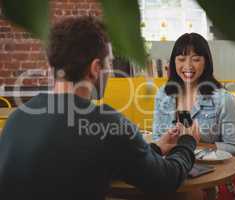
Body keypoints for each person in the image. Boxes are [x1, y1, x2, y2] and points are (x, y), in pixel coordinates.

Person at [0, 17, 198, 200]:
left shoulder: (18, 117)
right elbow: (165, 181)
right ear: (95, 68)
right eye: (108, 64)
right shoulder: (106, 123)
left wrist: (153, 149)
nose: (110, 71)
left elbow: (91, 163)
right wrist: (187, 142)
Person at [152, 33, 235, 200]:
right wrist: (168, 143)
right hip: (173, 169)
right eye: (181, 59)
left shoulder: (224, 100)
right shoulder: (163, 96)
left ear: (206, 61)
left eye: (195, 58)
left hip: (211, 177)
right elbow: (157, 138)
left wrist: (201, 145)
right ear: (173, 62)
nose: (188, 65)